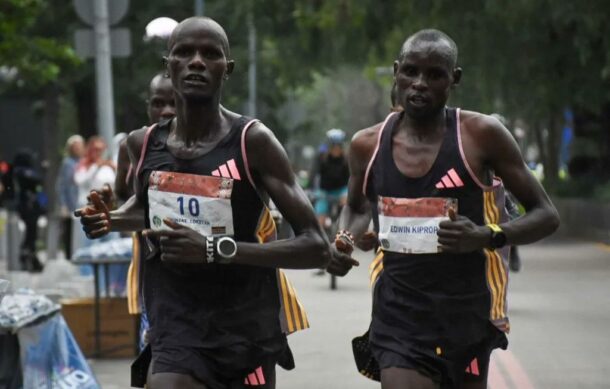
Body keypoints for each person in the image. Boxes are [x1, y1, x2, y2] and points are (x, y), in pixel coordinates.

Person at [76, 17, 329, 389]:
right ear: (169, 65)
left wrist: (215, 249)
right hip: (176, 327)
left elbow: (315, 247)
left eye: (210, 54)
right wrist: (110, 219)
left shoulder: (252, 142)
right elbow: (146, 210)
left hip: (245, 331)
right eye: (184, 53)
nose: (196, 61)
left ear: (228, 70)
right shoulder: (144, 144)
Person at [328, 29, 560, 389]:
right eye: (410, 72)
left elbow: (546, 214)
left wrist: (487, 235)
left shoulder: (481, 135)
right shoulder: (366, 144)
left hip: (466, 313)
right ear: (396, 72)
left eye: (434, 74)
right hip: (398, 315)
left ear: (455, 79)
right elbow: (358, 207)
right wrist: (343, 239)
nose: (419, 83)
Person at [10, 149, 46, 272]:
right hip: (26, 207)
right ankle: (26, 257)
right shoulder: (20, 171)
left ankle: (31, 256)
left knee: (32, 234)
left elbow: (39, 187)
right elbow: (35, 179)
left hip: (32, 206)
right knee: (29, 233)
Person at [309, 128, 350, 229]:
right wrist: (311, 188)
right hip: (325, 191)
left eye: (338, 146)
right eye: (334, 146)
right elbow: (314, 173)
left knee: (346, 201)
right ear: (329, 147)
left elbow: (352, 176)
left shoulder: (346, 159)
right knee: (320, 215)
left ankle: (343, 226)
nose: (336, 149)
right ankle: (321, 235)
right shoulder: (322, 157)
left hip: (341, 190)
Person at [56, 135, 85, 259]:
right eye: (75, 147)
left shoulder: (84, 162)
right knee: (70, 231)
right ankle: (70, 256)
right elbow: (62, 185)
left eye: (80, 146)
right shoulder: (67, 163)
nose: (78, 149)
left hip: (82, 201)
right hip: (71, 203)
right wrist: (63, 205)